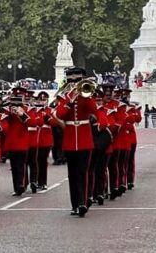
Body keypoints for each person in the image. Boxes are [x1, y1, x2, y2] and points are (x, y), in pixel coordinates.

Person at [54, 67, 96, 217]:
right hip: (70, 139)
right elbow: (60, 114)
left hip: (85, 139)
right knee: (72, 174)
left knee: (82, 172)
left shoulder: (87, 94)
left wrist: (85, 96)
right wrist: (70, 101)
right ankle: (75, 204)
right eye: (71, 80)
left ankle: (83, 203)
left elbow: (94, 109)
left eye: (77, 80)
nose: (74, 82)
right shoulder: (64, 96)